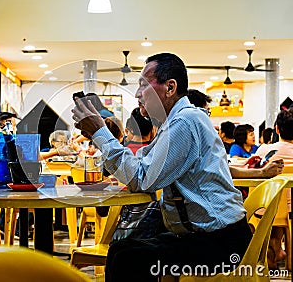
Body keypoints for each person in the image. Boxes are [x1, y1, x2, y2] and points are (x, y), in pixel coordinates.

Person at [72, 53, 252, 281]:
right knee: (121, 250)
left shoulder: (184, 123)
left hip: (221, 243)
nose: (137, 93)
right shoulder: (177, 122)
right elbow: (141, 165)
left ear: (170, 87)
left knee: (128, 259)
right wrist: (100, 135)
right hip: (210, 235)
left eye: (143, 85)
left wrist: (100, 133)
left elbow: (142, 178)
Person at [255, 108, 293, 269]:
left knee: (275, 206)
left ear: (277, 129)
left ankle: (273, 251)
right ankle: (280, 251)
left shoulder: (264, 150)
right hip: (290, 210)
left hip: (265, 208)